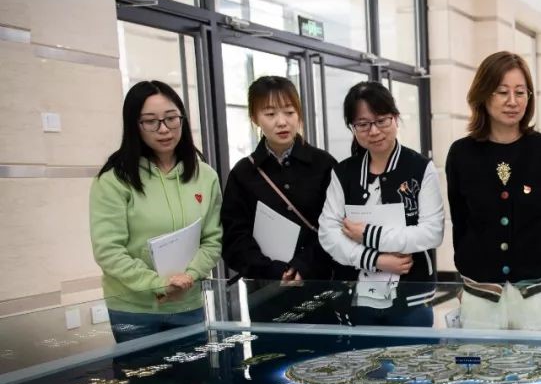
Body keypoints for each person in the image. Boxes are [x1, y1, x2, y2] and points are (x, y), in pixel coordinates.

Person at [446, 51, 541, 331]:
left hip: (537, 291)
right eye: (502, 92)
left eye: (520, 92)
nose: (513, 101)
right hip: (481, 291)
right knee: (481, 359)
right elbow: (460, 218)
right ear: (483, 95)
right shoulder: (461, 153)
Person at [90, 81, 222, 343]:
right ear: (134, 125)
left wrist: (189, 277)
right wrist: (158, 284)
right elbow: (108, 250)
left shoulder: (205, 175)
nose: (164, 129)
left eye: (171, 118)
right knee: (143, 371)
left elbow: (212, 239)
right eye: (151, 122)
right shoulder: (114, 179)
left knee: (195, 369)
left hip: (188, 304)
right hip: (134, 310)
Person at [319, 82, 444, 327]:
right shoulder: (344, 172)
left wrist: (369, 234)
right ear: (353, 127)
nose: (374, 131)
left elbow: (432, 232)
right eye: (363, 124)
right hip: (356, 298)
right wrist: (374, 259)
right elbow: (328, 233)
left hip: (411, 298)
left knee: (414, 353)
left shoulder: (420, 168)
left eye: (382, 121)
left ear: (395, 118)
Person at [221, 76, 338, 323]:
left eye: (289, 112)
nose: (282, 122)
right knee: (272, 347)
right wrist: (270, 269)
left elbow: (336, 226)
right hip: (267, 293)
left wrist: (304, 265)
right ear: (254, 118)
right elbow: (234, 238)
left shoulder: (324, 165)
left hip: (320, 288)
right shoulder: (243, 173)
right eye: (270, 114)